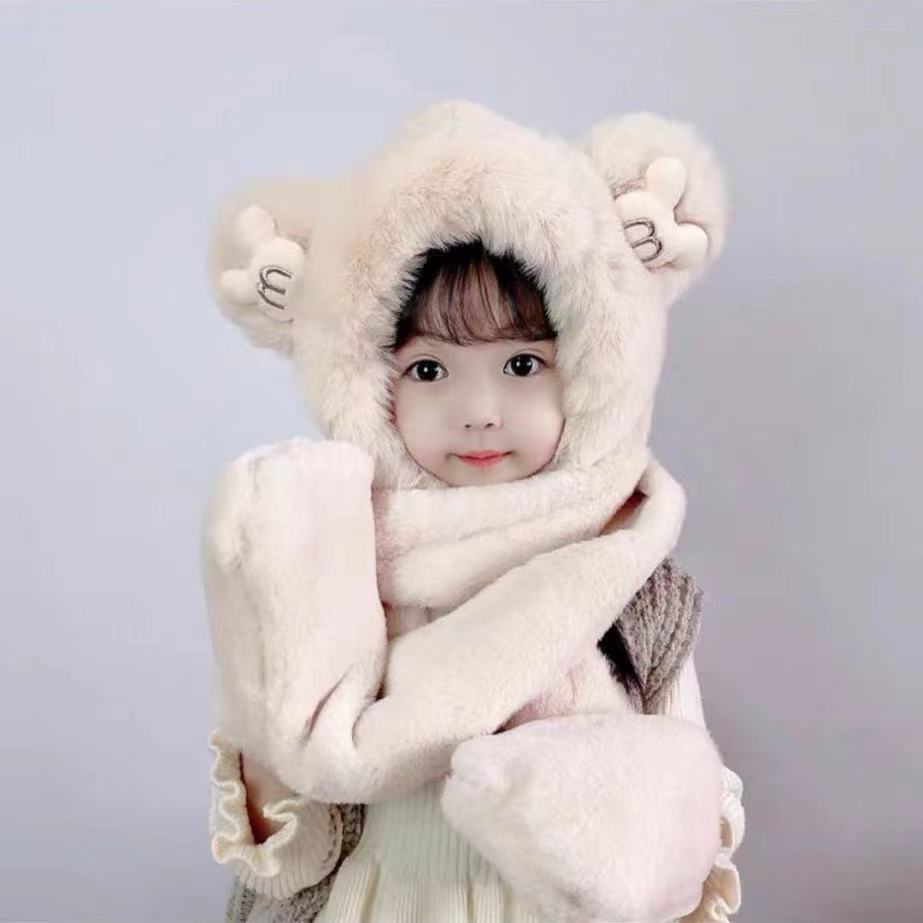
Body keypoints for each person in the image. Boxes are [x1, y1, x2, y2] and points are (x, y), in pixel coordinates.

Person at [203, 100, 745, 923]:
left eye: (523, 363)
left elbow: (686, 820)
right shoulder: (341, 566)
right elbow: (294, 851)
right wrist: (270, 740)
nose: (480, 411)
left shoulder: (629, 574)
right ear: (365, 381)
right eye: (428, 370)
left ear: (595, 364)